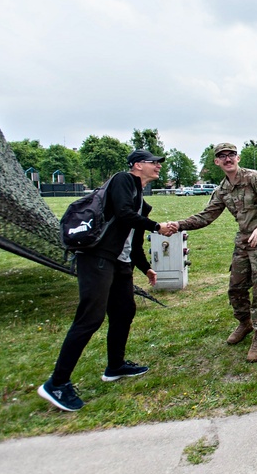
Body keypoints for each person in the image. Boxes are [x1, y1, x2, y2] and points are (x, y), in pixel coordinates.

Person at [38, 150, 175, 412]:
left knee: (124, 311)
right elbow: (123, 214)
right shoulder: (123, 180)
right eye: (154, 162)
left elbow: (133, 242)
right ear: (137, 165)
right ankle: (57, 383)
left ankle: (115, 366)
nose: (158, 166)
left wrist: (146, 268)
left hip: (119, 263)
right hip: (97, 257)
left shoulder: (140, 199)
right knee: (90, 318)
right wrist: (157, 226)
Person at [171, 143, 257, 363]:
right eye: (222, 156)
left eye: (231, 155)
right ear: (217, 162)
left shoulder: (253, 178)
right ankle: (245, 323)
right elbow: (206, 215)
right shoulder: (222, 189)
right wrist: (178, 225)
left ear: (238, 158)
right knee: (236, 288)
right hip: (244, 240)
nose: (227, 159)